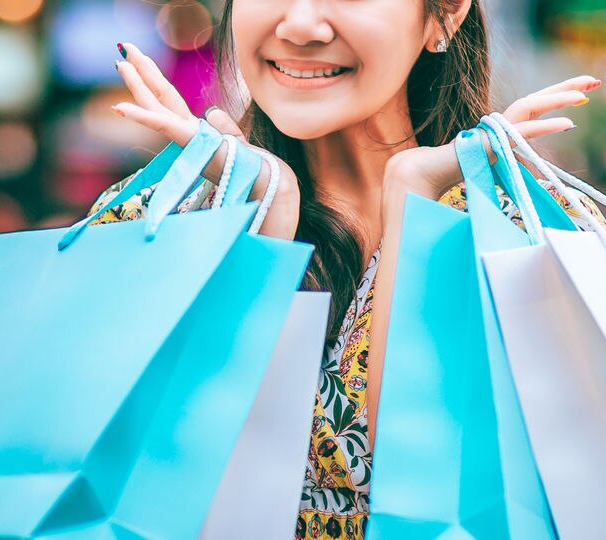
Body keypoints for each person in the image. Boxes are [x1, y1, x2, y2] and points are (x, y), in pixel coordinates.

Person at [88, 0, 604, 537]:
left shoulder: (532, 240)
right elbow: (122, 494)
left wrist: (415, 206)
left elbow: (476, 504)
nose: (301, 25)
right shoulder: (156, 221)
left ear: (444, 16)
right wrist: (263, 222)